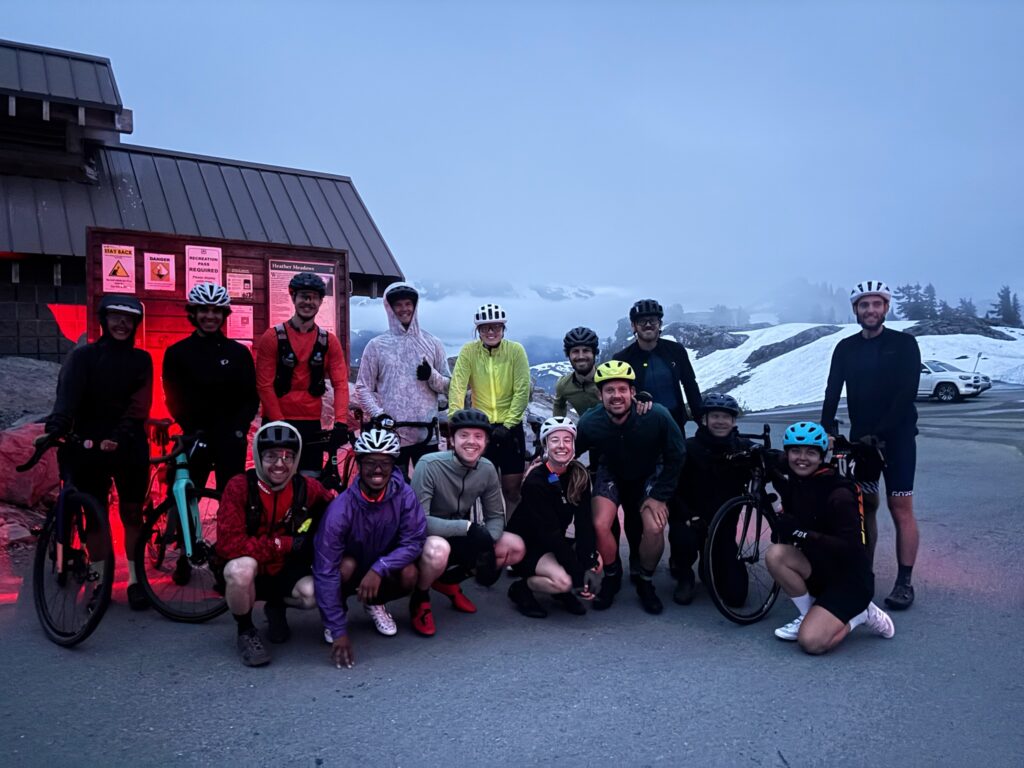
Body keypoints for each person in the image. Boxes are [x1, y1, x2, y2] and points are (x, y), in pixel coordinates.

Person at [39, 294, 153, 610]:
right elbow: (67, 397)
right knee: (95, 517)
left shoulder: (141, 360)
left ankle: (135, 580)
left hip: (127, 443)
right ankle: (100, 581)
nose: (122, 324)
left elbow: (139, 405)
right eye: (116, 317)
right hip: (88, 444)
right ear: (103, 320)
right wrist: (56, 427)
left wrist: (119, 435)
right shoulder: (83, 357)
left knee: (132, 514)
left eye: (128, 319)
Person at [820, 280, 922, 610]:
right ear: (855, 310)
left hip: (898, 439)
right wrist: (827, 428)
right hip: (861, 442)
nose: (871, 310)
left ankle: (904, 582)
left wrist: (882, 432)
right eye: (864, 305)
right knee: (864, 506)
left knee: (900, 507)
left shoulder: (904, 344)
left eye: (876, 304)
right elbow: (832, 390)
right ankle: (863, 574)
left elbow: (907, 393)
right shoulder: (846, 348)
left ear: (886, 308)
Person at [314, 429, 449, 670]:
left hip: (383, 565)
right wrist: (338, 631)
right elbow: (325, 569)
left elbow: (414, 541)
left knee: (409, 574)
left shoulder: (404, 495)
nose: (378, 470)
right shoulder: (341, 508)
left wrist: (380, 568)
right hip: (354, 565)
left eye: (385, 463)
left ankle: (375, 602)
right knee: (343, 567)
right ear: (358, 464)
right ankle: (338, 612)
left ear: (393, 464)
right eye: (371, 463)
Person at [765, 421, 895, 654]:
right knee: (776, 554)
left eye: (811, 453)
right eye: (795, 451)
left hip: (850, 579)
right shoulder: (798, 476)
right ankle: (807, 614)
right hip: (820, 568)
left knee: (811, 643)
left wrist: (800, 532)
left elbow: (852, 549)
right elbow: (774, 460)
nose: (801, 458)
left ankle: (861, 614)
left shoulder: (839, 493)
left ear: (822, 456)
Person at [217, 421, 332, 666]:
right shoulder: (239, 487)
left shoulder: (306, 487)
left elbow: (337, 507)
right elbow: (228, 545)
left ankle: (275, 607)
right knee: (240, 570)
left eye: (288, 456)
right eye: (270, 456)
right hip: (252, 568)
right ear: (258, 456)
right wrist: (285, 544)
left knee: (312, 595)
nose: (280, 464)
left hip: (285, 570)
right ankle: (246, 630)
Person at [575, 361, 685, 614]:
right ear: (599, 394)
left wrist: (660, 496)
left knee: (654, 527)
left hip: (649, 474)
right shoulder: (590, 421)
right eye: (609, 390)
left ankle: (645, 582)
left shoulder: (656, 414)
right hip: (611, 471)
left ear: (633, 392)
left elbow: (676, 455)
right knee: (600, 524)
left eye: (622, 390)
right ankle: (612, 576)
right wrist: (544, 461)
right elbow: (571, 451)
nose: (616, 396)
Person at [411, 408, 526, 614]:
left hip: (463, 535)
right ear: (452, 440)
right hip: (428, 538)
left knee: (514, 546)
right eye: (463, 435)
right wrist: (469, 528)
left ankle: (449, 582)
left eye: (478, 436)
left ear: (486, 442)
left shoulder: (487, 468)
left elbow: (495, 516)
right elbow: (420, 522)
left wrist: (487, 543)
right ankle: (420, 597)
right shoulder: (428, 465)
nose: (471, 441)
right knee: (439, 551)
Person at [162, 282, 259, 492]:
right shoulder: (177, 353)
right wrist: (191, 428)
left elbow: (251, 396)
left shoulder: (239, 353)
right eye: (204, 310)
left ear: (224, 314)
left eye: (216, 311)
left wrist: (239, 429)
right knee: (186, 502)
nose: (210, 316)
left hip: (230, 437)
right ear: (193, 313)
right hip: (195, 436)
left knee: (232, 500)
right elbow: (173, 399)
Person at [255, 272, 349, 474]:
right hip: (276, 421)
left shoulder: (328, 341)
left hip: (311, 425)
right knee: (276, 480)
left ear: (321, 301)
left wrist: (340, 422)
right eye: (303, 296)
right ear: (293, 298)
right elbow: (264, 385)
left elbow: (341, 384)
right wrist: (280, 422)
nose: (308, 302)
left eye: (314, 297)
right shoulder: (272, 337)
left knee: (310, 483)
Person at [506, 416, 599, 618]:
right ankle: (522, 588)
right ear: (545, 445)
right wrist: (576, 574)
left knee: (587, 559)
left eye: (567, 440)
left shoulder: (578, 475)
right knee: (563, 580)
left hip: (553, 541)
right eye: (554, 440)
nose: (562, 445)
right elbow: (550, 534)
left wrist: (589, 561)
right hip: (530, 544)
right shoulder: (536, 481)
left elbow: (584, 522)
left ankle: (562, 591)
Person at [355, 282, 451, 476]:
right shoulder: (377, 346)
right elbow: (362, 387)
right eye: (398, 305)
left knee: (427, 491)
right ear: (389, 308)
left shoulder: (433, 343)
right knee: (393, 490)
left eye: (408, 304)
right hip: (391, 432)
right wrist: (378, 414)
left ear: (415, 307)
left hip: (427, 433)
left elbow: (449, 386)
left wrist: (431, 376)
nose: (404, 309)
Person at [668, 393, 754, 606]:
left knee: (736, 598)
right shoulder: (687, 448)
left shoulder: (743, 448)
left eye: (726, 417)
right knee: (683, 539)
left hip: (722, 530)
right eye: (715, 416)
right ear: (704, 420)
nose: (720, 422)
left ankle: (708, 566)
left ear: (733, 421)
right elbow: (672, 489)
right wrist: (687, 516)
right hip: (692, 521)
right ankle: (684, 573)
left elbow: (770, 461)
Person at [448, 304, 531, 511]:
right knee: (480, 488)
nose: (491, 332)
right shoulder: (469, 351)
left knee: (512, 490)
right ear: (478, 331)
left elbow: (522, 390)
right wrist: (455, 420)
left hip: (510, 430)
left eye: (496, 327)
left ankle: (513, 535)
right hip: (480, 427)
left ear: (503, 329)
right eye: (485, 328)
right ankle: (484, 536)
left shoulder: (515, 350)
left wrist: (509, 423)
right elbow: (458, 386)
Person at [613, 299, 703, 434]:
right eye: (642, 321)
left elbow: (690, 385)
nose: (648, 325)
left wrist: (701, 420)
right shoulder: (622, 358)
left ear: (660, 324)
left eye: (653, 320)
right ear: (633, 326)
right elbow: (619, 395)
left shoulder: (676, 350)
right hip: (640, 426)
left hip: (676, 423)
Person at [552, 327, 601, 419]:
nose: (581, 356)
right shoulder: (564, 385)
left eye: (586, 351)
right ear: (568, 355)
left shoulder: (608, 380)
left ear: (594, 353)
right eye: (575, 351)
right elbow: (559, 406)